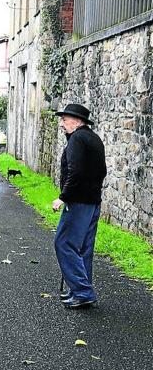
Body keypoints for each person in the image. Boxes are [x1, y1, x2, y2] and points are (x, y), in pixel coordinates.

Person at [51, 103, 107, 309]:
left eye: (65, 119)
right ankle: (79, 290)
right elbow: (102, 171)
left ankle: (83, 292)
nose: (62, 123)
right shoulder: (94, 139)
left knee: (64, 244)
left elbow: (75, 172)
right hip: (93, 202)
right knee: (83, 248)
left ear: (77, 121)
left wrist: (63, 197)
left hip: (78, 202)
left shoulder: (77, 139)